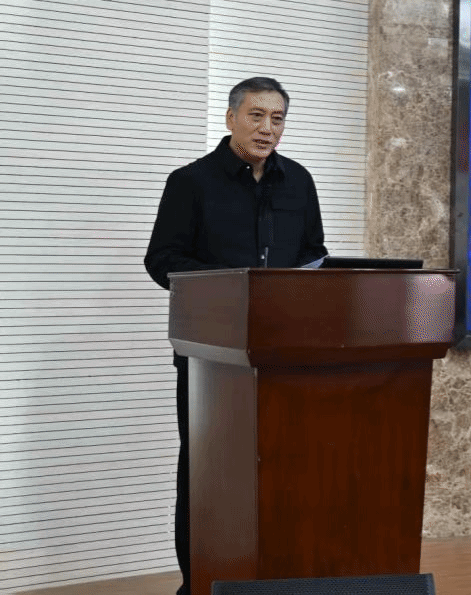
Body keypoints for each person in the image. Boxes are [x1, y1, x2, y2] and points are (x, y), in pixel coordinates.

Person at [145, 77, 327, 595]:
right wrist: (232, 287)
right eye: (256, 115)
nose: (268, 128)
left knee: (284, 472)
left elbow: (314, 254)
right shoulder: (191, 182)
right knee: (207, 473)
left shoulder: (299, 182)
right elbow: (162, 260)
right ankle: (201, 583)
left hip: (285, 356)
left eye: (278, 118)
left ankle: (275, 581)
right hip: (211, 358)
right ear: (231, 119)